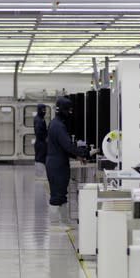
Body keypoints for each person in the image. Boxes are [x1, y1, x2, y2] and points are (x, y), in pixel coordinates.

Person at [45, 97, 89, 229]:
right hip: (57, 164)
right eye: (69, 110)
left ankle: (64, 222)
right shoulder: (59, 126)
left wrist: (76, 156)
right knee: (57, 194)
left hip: (57, 161)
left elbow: (63, 146)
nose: (70, 113)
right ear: (64, 110)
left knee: (61, 193)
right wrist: (83, 153)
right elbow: (68, 146)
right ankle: (55, 224)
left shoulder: (55, 123)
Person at [33, 104, 48, 178]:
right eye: (43, 110)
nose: (44, 111)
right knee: (40, 159)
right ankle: (39, 177)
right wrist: (46, 138)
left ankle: (40, 176)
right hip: (40, 143)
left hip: (41, 143)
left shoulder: (41, 118)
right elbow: (39, 133)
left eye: (45, 110)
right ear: (39, 110)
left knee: (41, 159)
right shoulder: (39, 120)